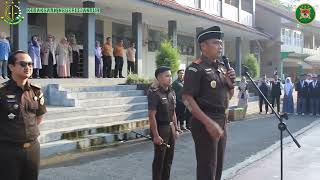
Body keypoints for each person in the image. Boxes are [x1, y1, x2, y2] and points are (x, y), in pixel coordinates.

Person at [182, 26, 236, 180]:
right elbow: (186, 98)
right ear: (203, 46)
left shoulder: (220, 68)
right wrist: (208, 123)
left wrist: (230, 82)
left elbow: (229, 96)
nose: (220, 46)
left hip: (221, 121)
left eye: (221, 43)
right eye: (216, 43)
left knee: (217, 167)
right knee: (207, 168)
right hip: (204, 121)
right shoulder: (195, 68)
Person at [0, 50, 47, 180]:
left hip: (32, 149)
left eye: (30, 64)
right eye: (23, 64)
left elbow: (38, 117)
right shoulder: (2, 92)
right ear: (11, 67)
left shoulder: (35, 91)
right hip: (8, 151)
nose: (28, 67)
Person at [147, 66, 181, 180]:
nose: (170, 78)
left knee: (168, 160)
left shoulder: (172, 92)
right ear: (159, 78)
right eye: (167, 76)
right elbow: (151, 115)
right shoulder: (154, 93)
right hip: (160, 128)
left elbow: (173, 112)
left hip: (170, 127)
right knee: (159, 160)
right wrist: (156, 135)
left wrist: (176, 129)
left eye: (170, 76)